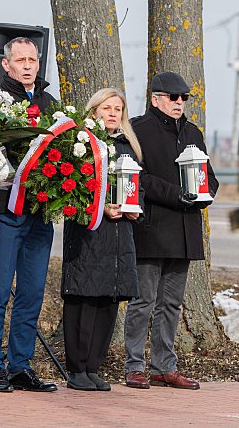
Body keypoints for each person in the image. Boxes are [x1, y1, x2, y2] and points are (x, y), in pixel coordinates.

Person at [124, 71, 217, 390]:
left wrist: (207, 192)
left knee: (172, 304)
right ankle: (134, 365)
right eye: (173, 97)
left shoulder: (192, 132)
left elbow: (208, 175)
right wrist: (176, 194)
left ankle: (164, 366)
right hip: (151, 227)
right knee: (143, 301)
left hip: (185, 230)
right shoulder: (138, 129)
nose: (179, 102)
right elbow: (137, 176)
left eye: (184, 98)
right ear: (155, 99)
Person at [0, 36, 58, 393]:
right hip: (4, 212)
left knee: (32, 292)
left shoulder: (49, 103)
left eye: (33, 60)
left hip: (39, 213)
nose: (27, 66)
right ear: (6, 64)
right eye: (20, 60)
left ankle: (20, 366)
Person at [62, 88, 142, 392]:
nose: (113, 113)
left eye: (118, 109)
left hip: (120, 235)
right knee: (84, 298)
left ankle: (94, 366)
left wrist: (135, 209)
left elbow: (138, 187)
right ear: (94, 111)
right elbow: (70, 188)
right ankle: (77, 368)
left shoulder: (128, 147)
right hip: (89, 233)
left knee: (109, 300)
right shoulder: (82, 143)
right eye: (107, 108)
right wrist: (99, 208)